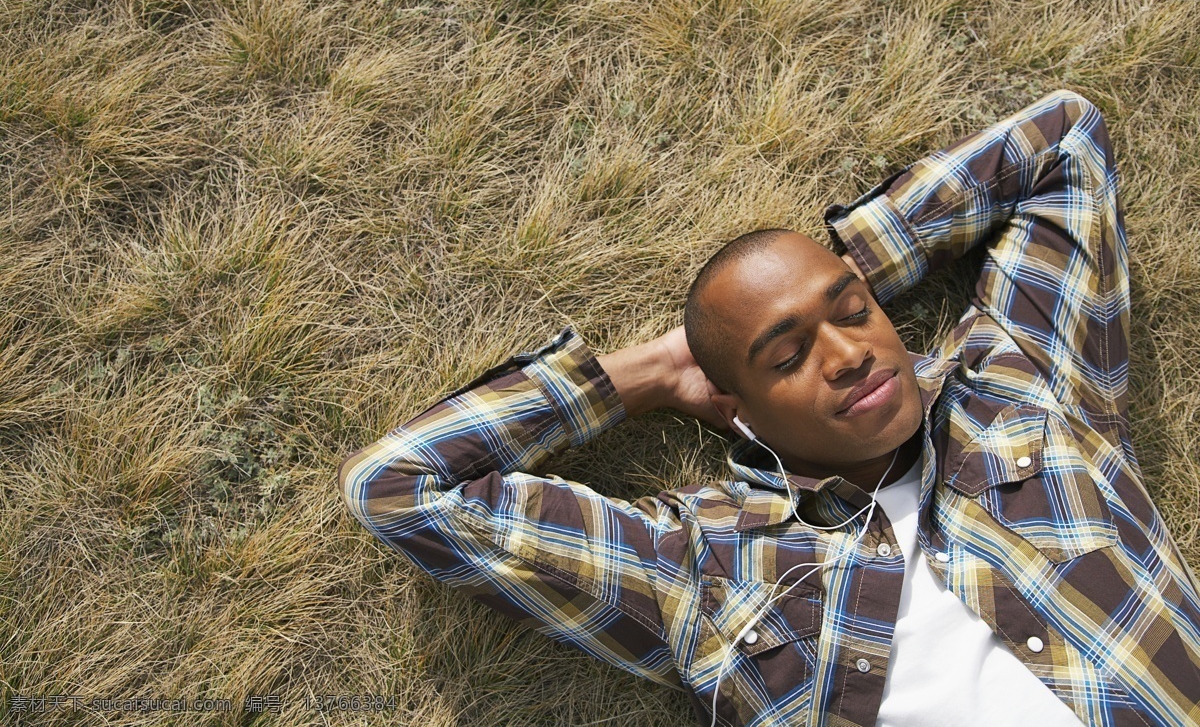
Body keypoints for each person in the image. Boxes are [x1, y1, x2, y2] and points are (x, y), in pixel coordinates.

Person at [338, 90, 1200, 726]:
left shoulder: (1016, 385)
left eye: (854, 311)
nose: (848, 353)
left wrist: (848, 265)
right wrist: (639, 376)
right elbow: (400, 488)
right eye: (787, 356)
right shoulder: (701, 564)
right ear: (737, 406)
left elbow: (1063, 142)